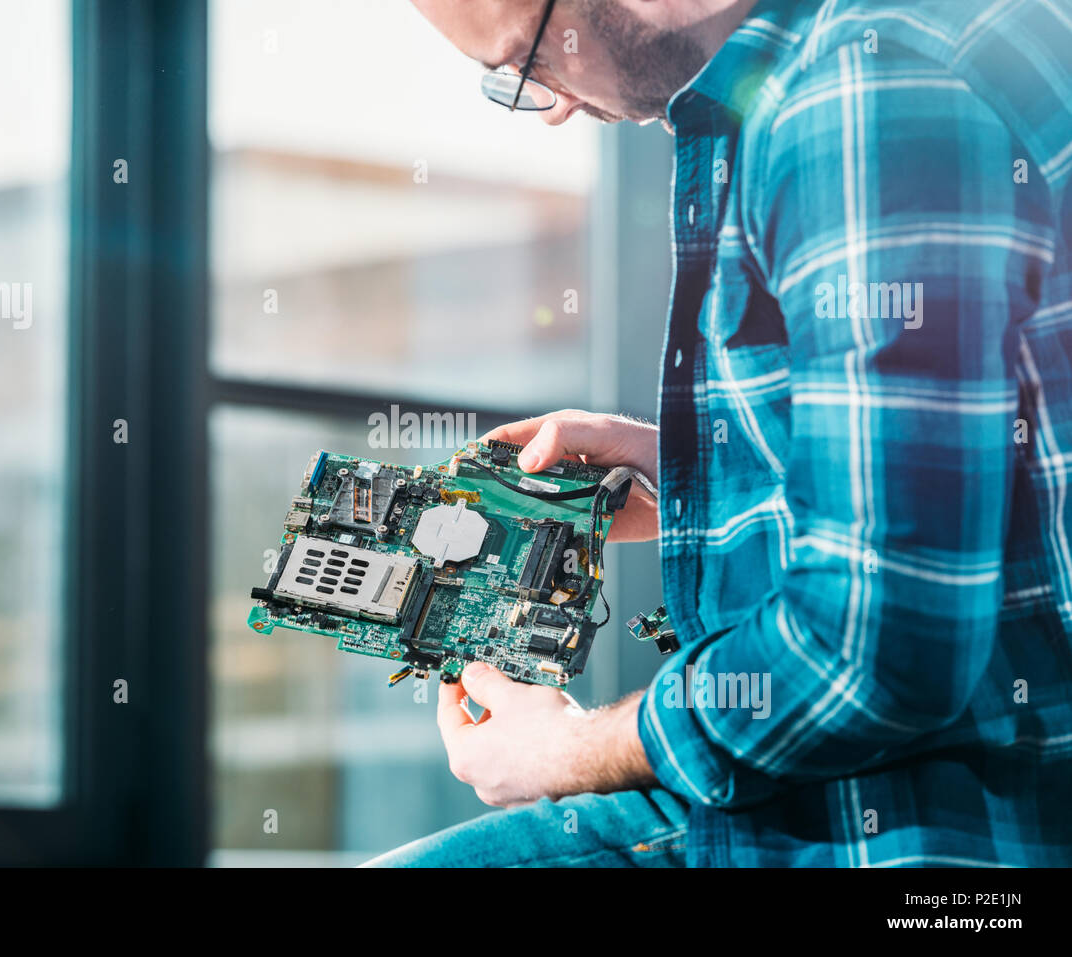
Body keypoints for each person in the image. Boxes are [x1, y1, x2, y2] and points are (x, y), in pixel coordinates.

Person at [365, 0, 1072, 867]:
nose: (551, 106)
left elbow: (875, 650)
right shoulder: (918, 39)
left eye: (528, 63)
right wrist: (694, 473)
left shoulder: (857, 95)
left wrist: (569, 750)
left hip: (922, 826)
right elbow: (982, 468)